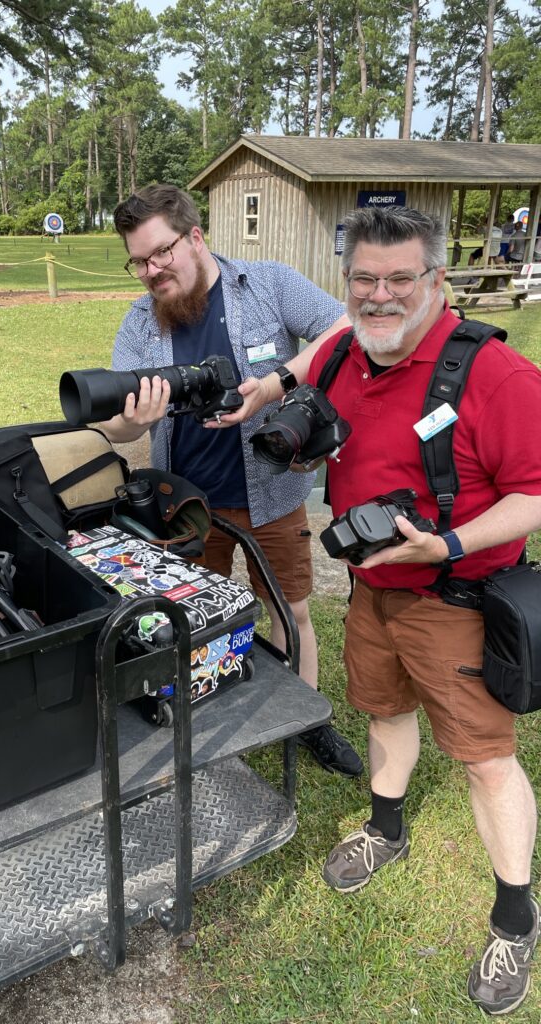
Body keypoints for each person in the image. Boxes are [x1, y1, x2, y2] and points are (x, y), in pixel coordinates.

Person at [305, 205, 541, 1015]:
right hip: (371, 590)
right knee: (381, 712)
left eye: (400, 278)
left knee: (484, 759)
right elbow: (302, 370)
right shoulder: (346, 351)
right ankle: (386, 828)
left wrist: (447, 544)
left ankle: (515, 919)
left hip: (453, 598)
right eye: (364, 280)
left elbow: (537, 492)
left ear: (436, 280)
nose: (380, 295)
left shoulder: (496, 376)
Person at [99, 183, 362, 778]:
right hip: (187, 506)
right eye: (138, 261)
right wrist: (129, 421)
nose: (151, 270)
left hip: (271, 490)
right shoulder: (141, 318)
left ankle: (305, 720)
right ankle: (211, 728)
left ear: (195, 236)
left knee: (290, 611)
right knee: (193, 623)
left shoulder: (267, 283)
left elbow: (344, 329)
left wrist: (277, 385)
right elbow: (114, 426)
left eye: (161, 252)